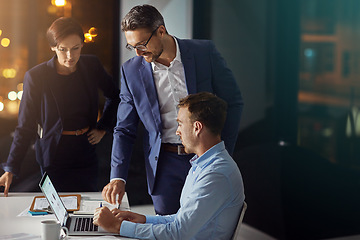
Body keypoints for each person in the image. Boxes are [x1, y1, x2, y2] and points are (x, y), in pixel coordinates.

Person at [102, 4, 244, 215]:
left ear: (161, 30)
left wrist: (223, 152)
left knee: (204, 226)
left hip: (205, 159)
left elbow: (233, 102)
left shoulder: (204, 53)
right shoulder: (131, 71)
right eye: (132, 47)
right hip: (163, 164)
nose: (139, 53)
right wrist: (117, 177)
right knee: (166, 228)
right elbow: (124, 129)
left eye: (142, 44)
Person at [94, 92, 245, 239]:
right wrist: (143, 219)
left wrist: (117, 227)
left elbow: (178, 233)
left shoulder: (215, 174)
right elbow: (181, 220)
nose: (177, 131)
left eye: (180, 124)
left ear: (197, 127)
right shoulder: (203, 164)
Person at [0, 17, 120, 194]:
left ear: (82, 45)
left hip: (85, 149)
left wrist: (103, 128)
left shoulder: (91, 65)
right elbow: (25, 126)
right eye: (63, 50)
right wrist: (11, 168)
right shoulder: (37, 76)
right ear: (53, 47)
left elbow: (115, 96)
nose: (70, 56)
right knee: (56, 209)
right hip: (53, 154)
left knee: (84, 205)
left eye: (75, 48)